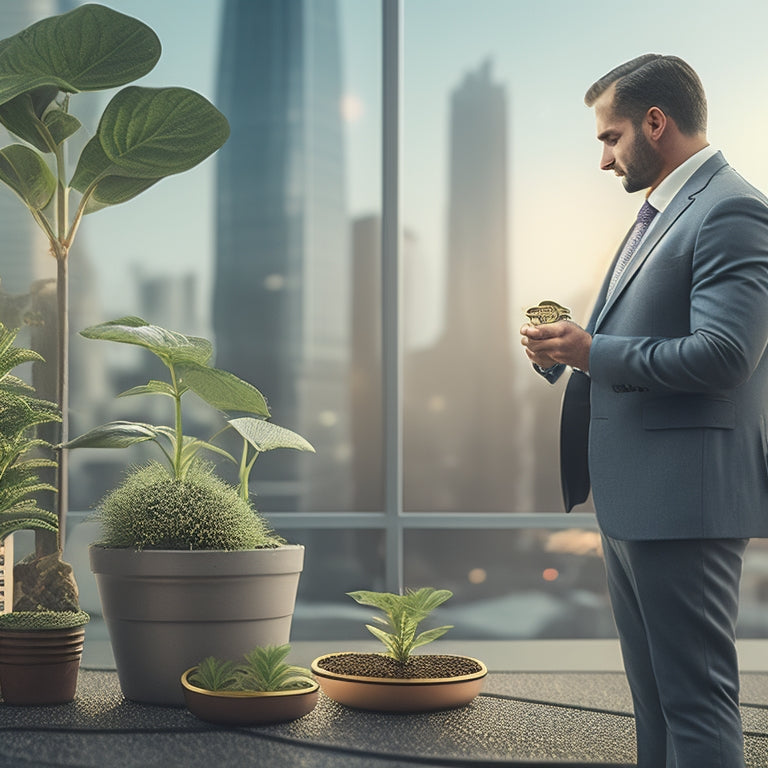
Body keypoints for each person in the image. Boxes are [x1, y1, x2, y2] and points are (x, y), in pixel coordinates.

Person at [520, 54, 768, 768]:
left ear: (656, 123)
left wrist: (592, 351)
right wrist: (563, 351)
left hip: (685, 500)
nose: (604, 158)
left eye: (611, 136)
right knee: (657, 699)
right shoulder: (664, 209)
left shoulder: (732, 209)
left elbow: (723, 356)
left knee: (694, 700)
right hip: (641, 498)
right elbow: (639, 333)